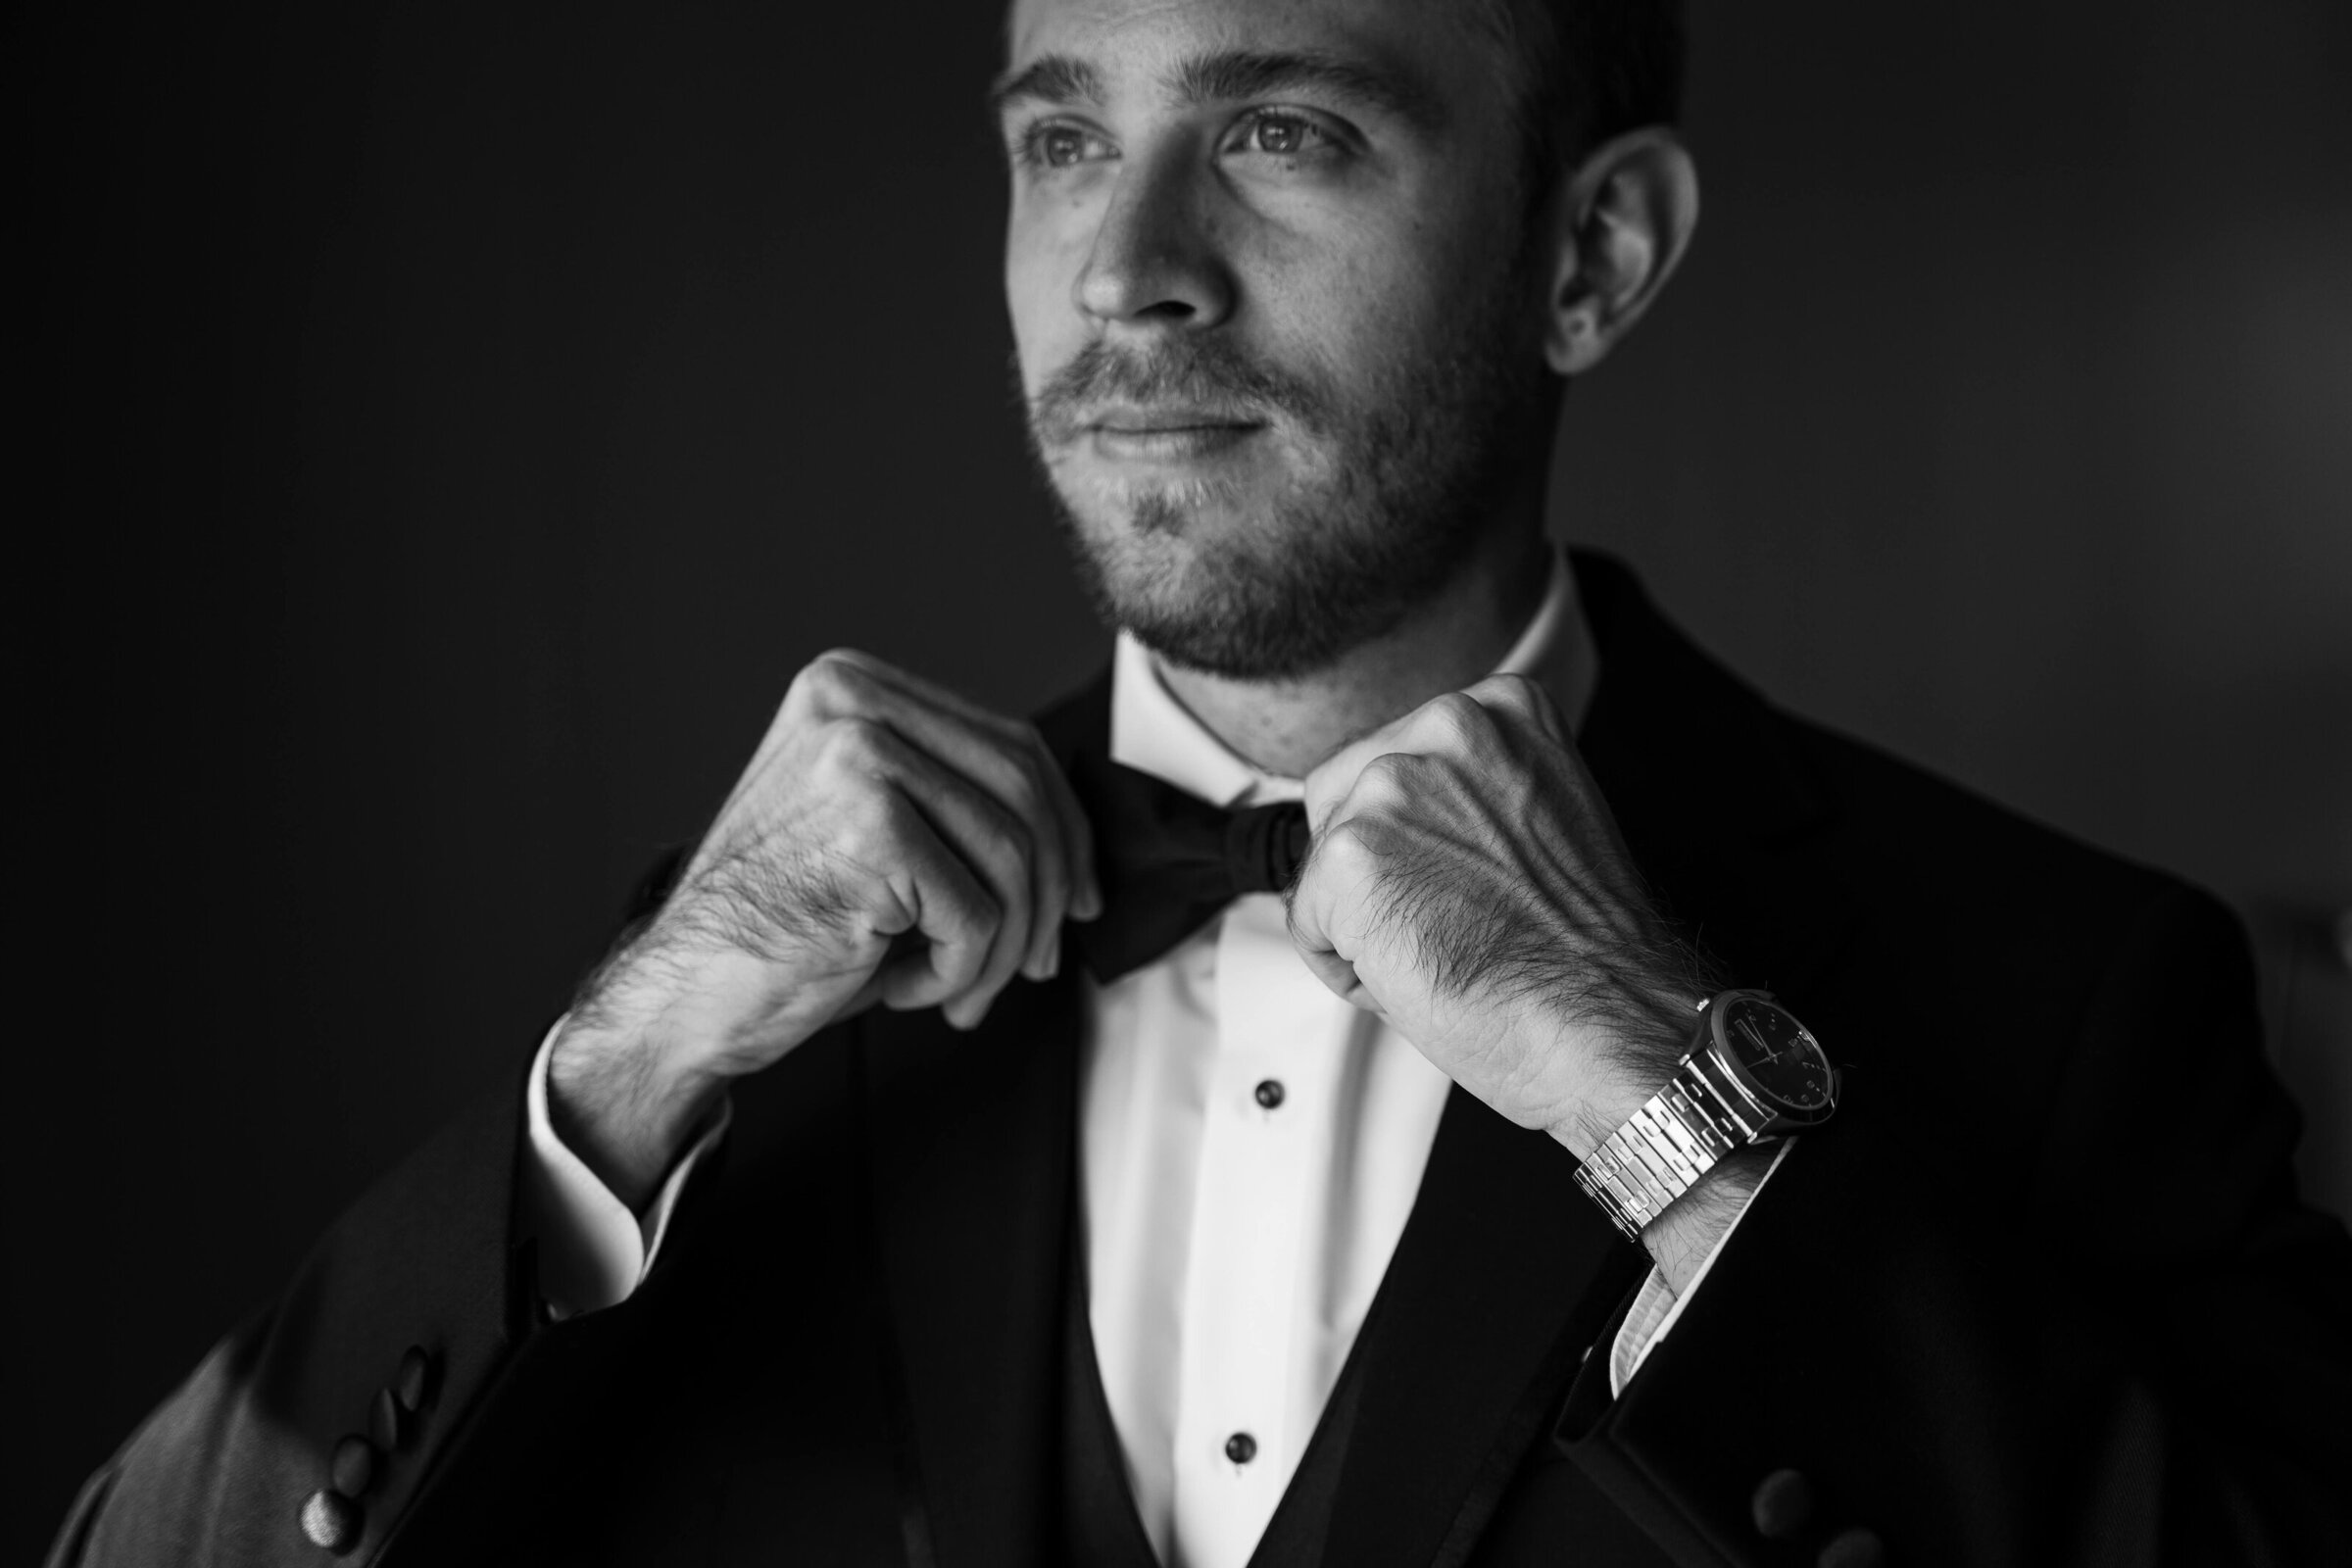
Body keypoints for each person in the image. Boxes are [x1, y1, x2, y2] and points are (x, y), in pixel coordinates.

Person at [49, 0, 2351, 1563]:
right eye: (1064, 140)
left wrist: (1681, 1107)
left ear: (1594, 254)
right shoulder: (738, 1011)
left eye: (1282, 133)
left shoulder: (2058, 992)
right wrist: (627, 1053)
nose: (1128, 272)